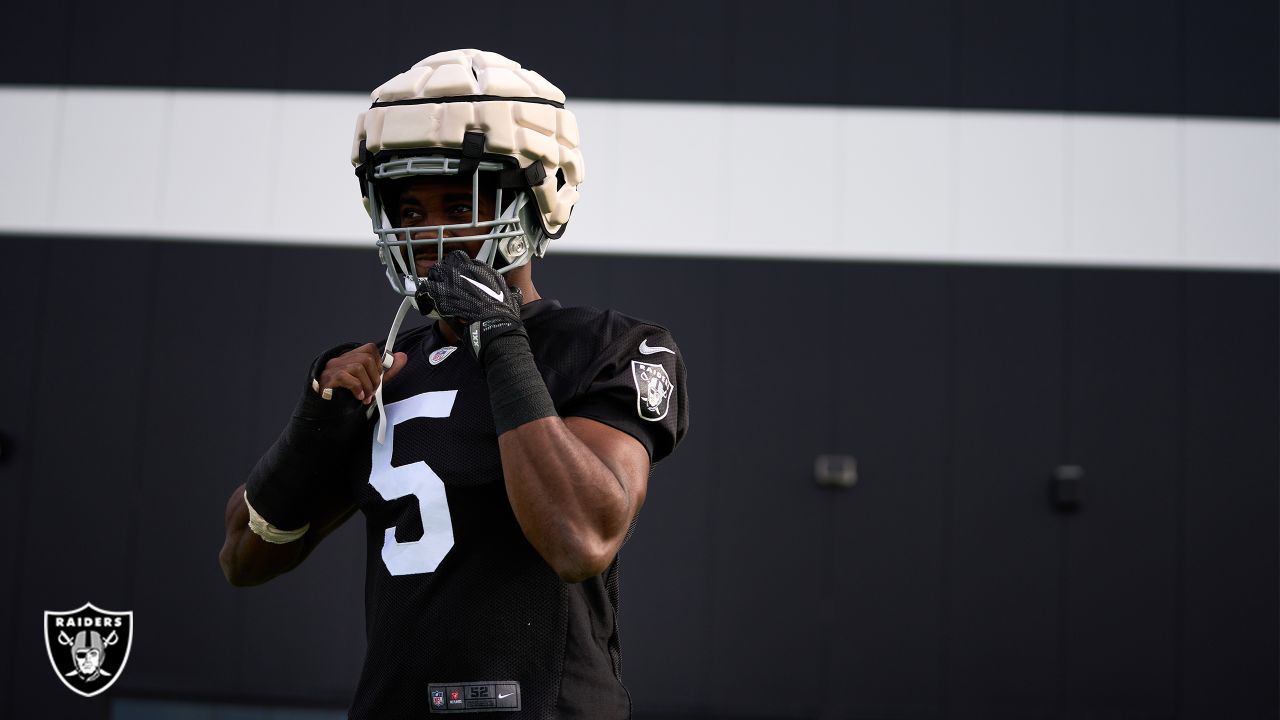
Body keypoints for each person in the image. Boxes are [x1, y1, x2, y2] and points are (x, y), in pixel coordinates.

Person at [218, 48, 688, 720]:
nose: (430, 231)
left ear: (535, 198)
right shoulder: (387, 369)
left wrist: (500, 342)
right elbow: (243, 556)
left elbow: (581, 539)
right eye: (409, 207)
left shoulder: (610, 346)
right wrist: (314, 427)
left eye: (459, 201)